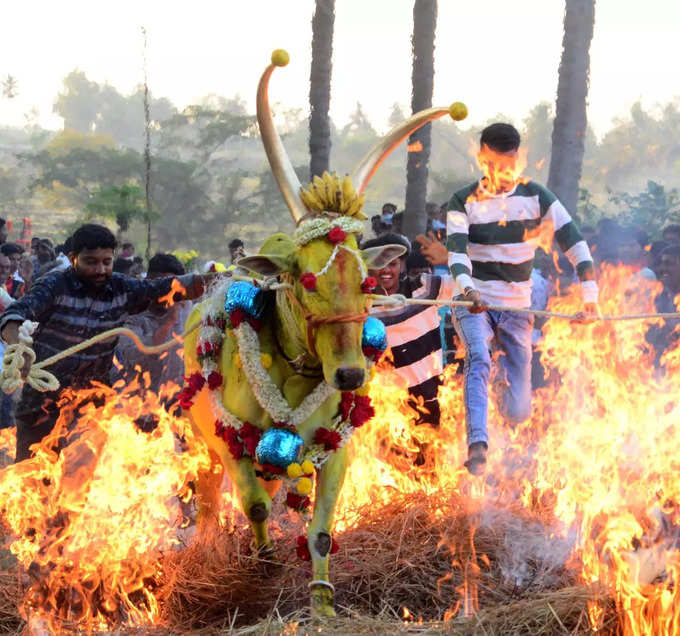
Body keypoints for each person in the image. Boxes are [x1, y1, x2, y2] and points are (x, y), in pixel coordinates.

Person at [446, 123, 598, 474]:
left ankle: (500, 397)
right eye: (496, 162)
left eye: (510, 162)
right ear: (482, 157)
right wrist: (468, 289)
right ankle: (478, 445)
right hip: (473, 302)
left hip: (517, 308)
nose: (503, 171)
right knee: (478, 359)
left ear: (518, 157)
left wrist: (591, 297)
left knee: (519, 410)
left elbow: (575, 244)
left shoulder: (538, 196)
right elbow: (456, 253)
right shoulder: (462, 200)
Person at [0, 223, 216, 462]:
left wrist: (222, 280)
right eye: (91, 262)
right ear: (73, 259)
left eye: (106, 261)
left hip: (91, 406)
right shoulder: (53, 285)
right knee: (33, 483)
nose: (100, 269)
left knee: (79, 488)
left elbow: (171, 287)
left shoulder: (123, 288)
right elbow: (14, 316)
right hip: (40, 406)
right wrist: (19, 350)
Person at [362, 233, 456, 431]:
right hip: (389, 412)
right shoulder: (361, 307)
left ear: (402, 265)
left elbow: (473, 286)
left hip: (436, 399)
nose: (386, 271)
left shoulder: (423, 289)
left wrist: (452, 260)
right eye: (379, 264)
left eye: (392, 264)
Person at [115, 253, 192, 395]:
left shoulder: (189, 309)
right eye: (162, 286)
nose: (168, 295)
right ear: (148, 282)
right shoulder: (132, 314)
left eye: (174, 289)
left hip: (182, 401)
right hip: (143, 405)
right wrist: (168, 323)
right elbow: (136, 358)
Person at [647, 244, 680, 368]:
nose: (662, 268)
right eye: (661, 263)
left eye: (669, 263)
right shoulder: (657, 296)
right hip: (659, 373)